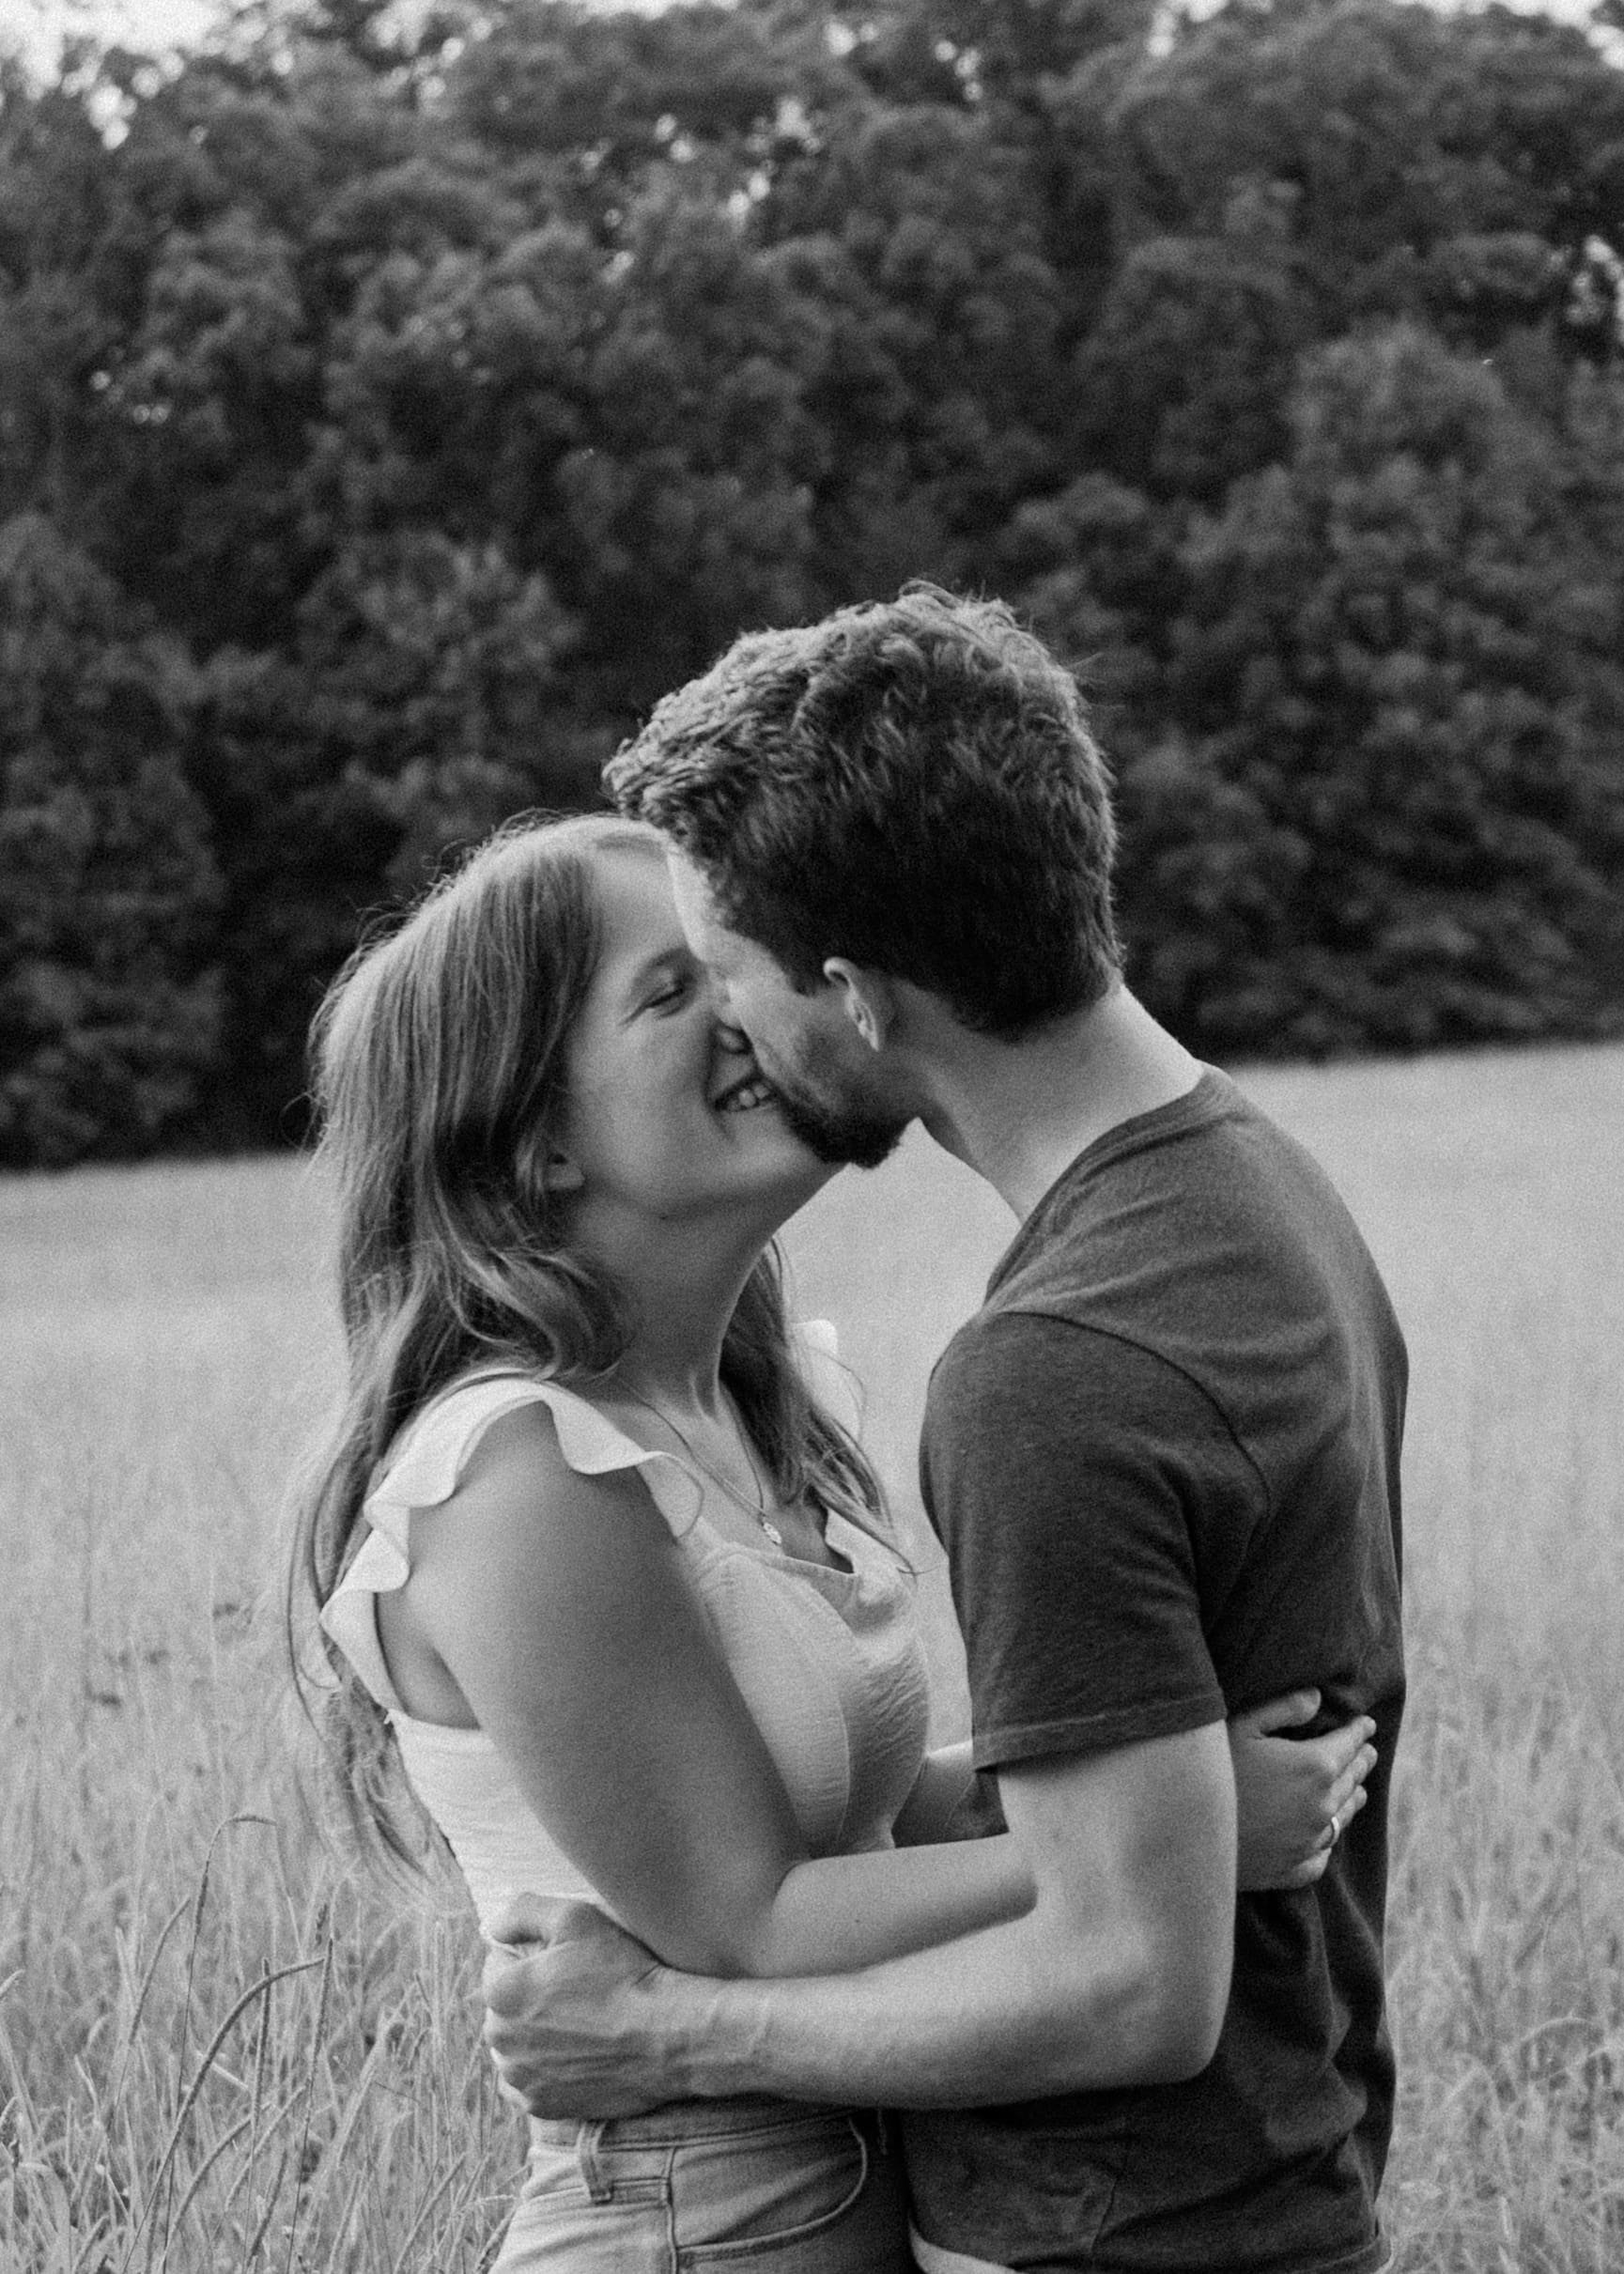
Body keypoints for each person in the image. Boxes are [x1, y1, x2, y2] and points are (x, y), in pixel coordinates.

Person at [288, 807, 1376, 2272]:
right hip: (700, 2214)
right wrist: (1183, 1838)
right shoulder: (515, 1478)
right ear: (537, 1141)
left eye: (727, 965)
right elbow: (751, 1915)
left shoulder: (742, 1399)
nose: (750, 1008)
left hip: (845, 2159)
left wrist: (1117, 1794)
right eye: (669, 993)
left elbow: (857, 1817)